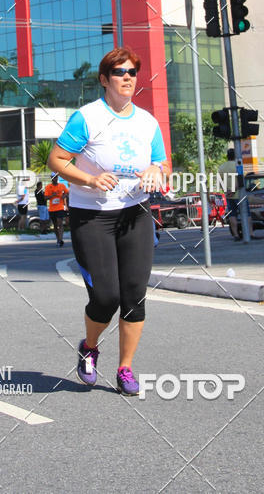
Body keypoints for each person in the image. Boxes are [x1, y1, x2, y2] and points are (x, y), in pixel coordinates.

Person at [48, 46, 167, 396]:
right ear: (104, 79)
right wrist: (89, 179)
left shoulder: (147, 122)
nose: (127, 77)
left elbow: (163, 164)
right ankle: (89, 347)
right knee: (106, 296)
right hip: (92, 216)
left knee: (134, 295)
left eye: (132, 72)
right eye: (119, 72)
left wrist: (155, 170)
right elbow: (57, 160)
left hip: (136, 213)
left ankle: (125, 368)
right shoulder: (87, 118)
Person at [218, 148, 254, 239]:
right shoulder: (238, 165)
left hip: (229, 196)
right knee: (246, 214)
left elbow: (220, 181)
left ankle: (236, 234)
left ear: (227, 156)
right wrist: (233, 190)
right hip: (239, 195)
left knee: (232, 215)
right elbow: (240, 180)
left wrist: (227, 191)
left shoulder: (222, 167)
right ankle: (250, 233)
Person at [45, 174, 69, 246]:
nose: (55, 179)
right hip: (52, 209)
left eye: (56, 177)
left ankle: (61, 239)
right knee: (55, 225)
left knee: (60, 223)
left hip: (60, 208)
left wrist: (64, 196)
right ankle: (58, 239)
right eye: (53, 177)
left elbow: (67, 192)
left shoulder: (61, 185)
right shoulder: (48, 187)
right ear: (51, 178)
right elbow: (45, 198)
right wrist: (52, 195)